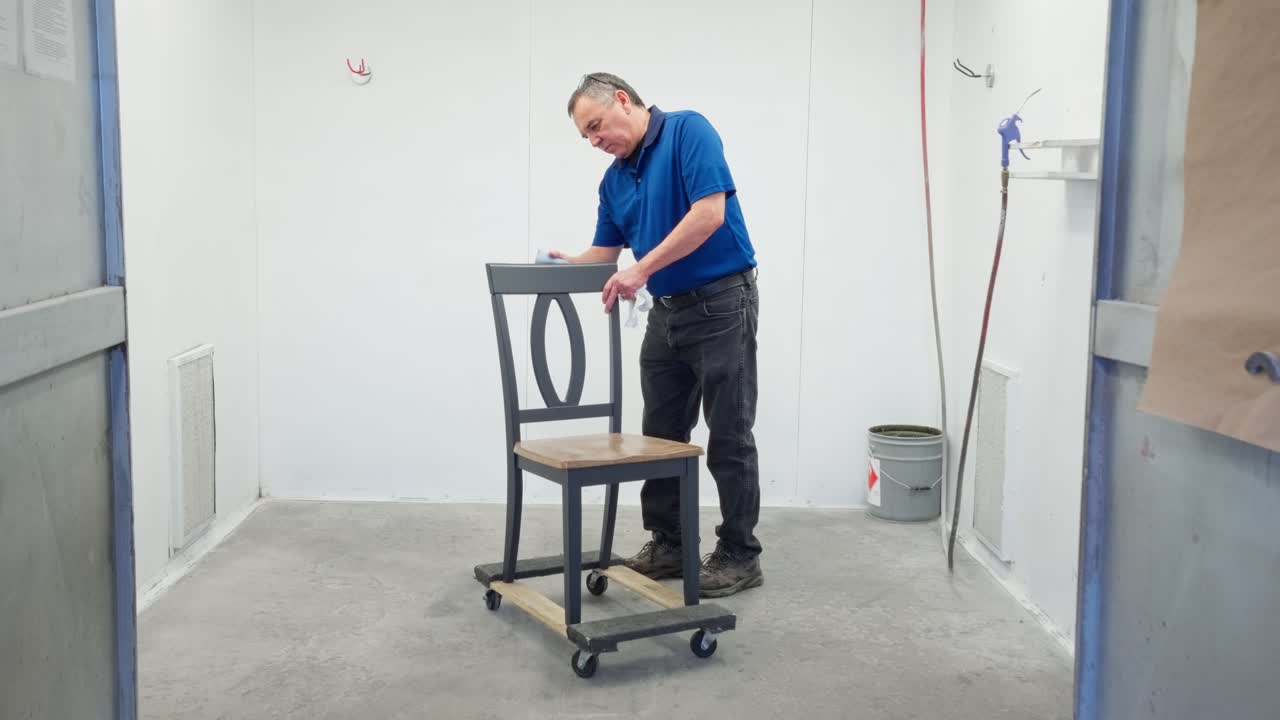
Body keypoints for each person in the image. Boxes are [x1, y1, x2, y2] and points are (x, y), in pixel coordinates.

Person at [549, 72, 762, 598]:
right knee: (659, 437)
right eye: (587, 138)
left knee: (729, 435)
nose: (595, 141)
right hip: (665, 315)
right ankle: (668, 544)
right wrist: (567, 263)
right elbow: (604, 255)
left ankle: (739, 552)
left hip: (721, 304)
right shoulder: (614, 181)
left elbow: (709, 215)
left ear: (623, 100)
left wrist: (641, 268)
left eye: (597, 126)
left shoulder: (689, 131)